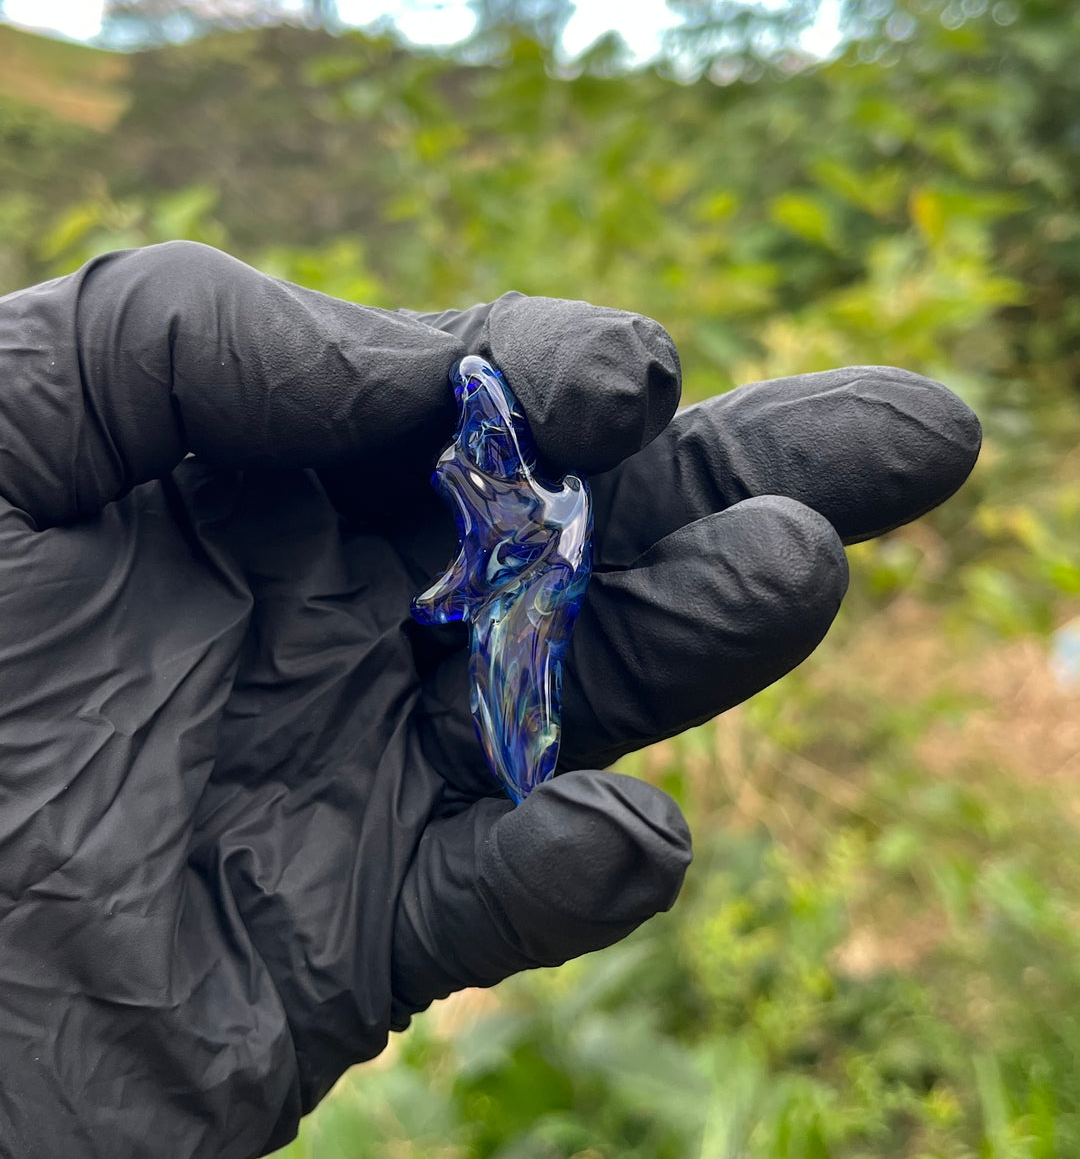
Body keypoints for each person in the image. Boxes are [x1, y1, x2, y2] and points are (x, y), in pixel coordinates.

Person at [0, 242, 980, 1158]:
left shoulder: (538, 522)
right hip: (485, 604)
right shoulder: (465, 499)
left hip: (514, 604)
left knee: (759, 575)